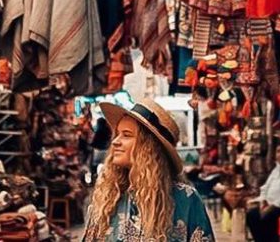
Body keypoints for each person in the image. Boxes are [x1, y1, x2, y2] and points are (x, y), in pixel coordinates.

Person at [83, 99, 215, 241]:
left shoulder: (185, 199)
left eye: (126, 135)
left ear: (149, 148)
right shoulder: (108, 195)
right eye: (117, 134)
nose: (115, 141)